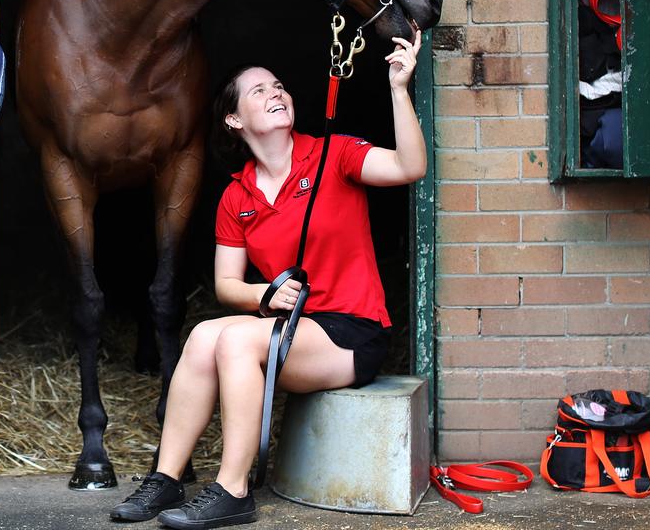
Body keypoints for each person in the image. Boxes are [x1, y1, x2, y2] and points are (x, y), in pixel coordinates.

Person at [109, 31, 426, 529]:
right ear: (235, 121)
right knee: (201, 336)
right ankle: (166, 478)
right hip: (292, 326)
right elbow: (227, 286)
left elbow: (411, 167)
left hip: (350, 331)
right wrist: (266, 294)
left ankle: (234, 489)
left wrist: (399, 89)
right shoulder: (236, 197)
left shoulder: (333, 155)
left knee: (235, 338)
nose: (275, 92)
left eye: (279, 86)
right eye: (259, 90)